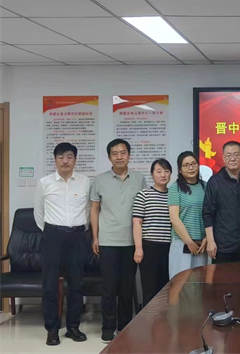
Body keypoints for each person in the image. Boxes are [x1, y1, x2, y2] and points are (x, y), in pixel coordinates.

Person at [90, 138, 146, 342]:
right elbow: (94, 210)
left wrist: (141, 242)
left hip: (131, 242)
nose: (119, 156)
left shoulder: (139, 179)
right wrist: (95, 237)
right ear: (109, 157)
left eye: (123, 153)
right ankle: (107, 327)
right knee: (108, 287)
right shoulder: (99, 180)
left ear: (129, 155)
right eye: (115, 153)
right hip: (108, 241)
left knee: (127, 287)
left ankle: (124, 326)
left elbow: (143, 210)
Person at [34, 142, 90, 345]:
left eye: (69, 157)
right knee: (49, 285)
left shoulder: (85, 182)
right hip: (53, 237)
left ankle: (73, 327)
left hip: (77, 237)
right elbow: (38, 212)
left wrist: (79, 229)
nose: (65, 161)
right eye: (61, 157)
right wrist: (52, 232)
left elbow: (88, 210)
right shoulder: (44, 182)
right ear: (55, 160)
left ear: (75, 159)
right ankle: (52, 329)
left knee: (76, 284)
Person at [203, 141, 240, 263]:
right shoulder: (214, 182)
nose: (232, 158)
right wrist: (210, 241)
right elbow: (207, 213)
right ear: (223, 158)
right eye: (228, 155)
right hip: (222, 246)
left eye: (236, 154)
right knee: (222, 276)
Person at [132, 158, 173, 306]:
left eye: (166, 171)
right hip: (149, 247)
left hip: (170, 248)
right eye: (159, 171)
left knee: (167, 288)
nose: (163, 175)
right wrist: (138, 248)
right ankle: (149, 319)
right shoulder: (143, 195)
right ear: (152, 174)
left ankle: (164, 319)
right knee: (149, 289)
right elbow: (137, 223)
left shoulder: (174, 195)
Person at [168, 151, 209, 277]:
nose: (191, 167)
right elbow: (174, 218)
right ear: (180, 170)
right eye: (186, 165)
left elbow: (211, 214)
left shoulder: (206, 186)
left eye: (193, 164)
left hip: (202, 245)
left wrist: (207, 238)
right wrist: (189, 242)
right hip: (182, 243)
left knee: (199, 283)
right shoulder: (175, 188)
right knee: (180, 282)